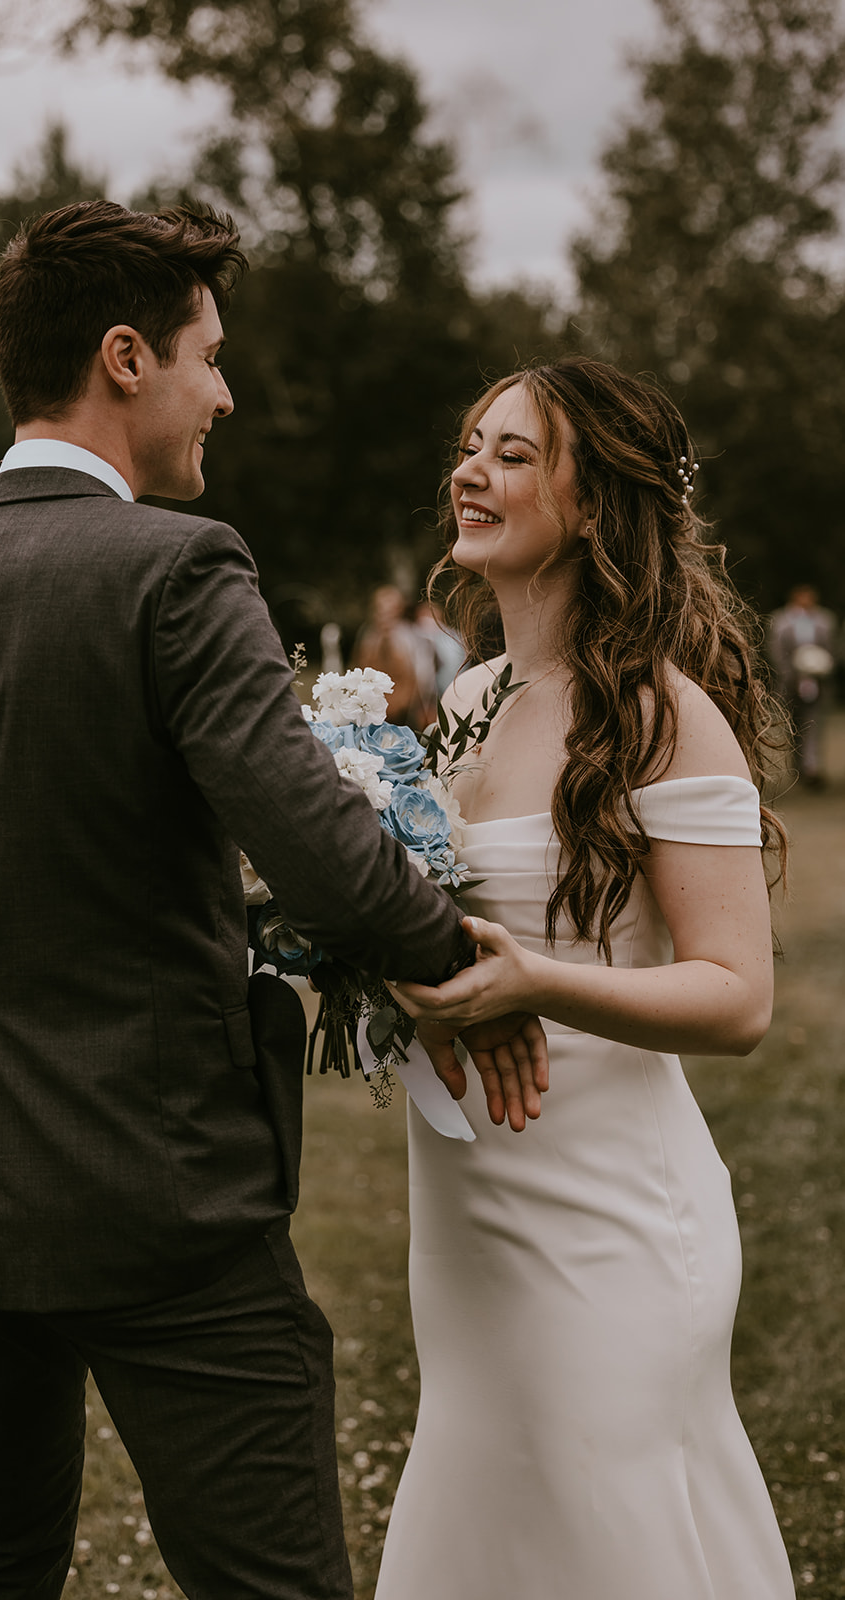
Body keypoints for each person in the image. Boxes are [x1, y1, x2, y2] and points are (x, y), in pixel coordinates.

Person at [0, 200, 546, 1600]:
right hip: (162, 1183)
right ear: (123, 357)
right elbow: (312, 841)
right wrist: (452, 955)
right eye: (208, 356)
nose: (226, 391)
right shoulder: (176, 570)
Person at [375, 357, 794, 1599]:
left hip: (608, 1217)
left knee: (605, 1528)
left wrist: (536, 986)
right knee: (491, 1515)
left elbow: (737, 996)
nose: (470, 470)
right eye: (469, 444)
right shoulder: (464, 700)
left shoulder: (661, 715)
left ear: (595, 504)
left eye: (512, 454)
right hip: (464, 1209)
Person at [768, 582, 838, 788]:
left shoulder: (825, 620)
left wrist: (822, 667)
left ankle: (811, 767)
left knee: (814, 724)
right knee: (793, 726)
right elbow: (776, 650)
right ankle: (798, 765)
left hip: (817, 681)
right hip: (790, 681)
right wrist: (791, 672)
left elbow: (831, 649)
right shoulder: (780, 621)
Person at [352, 584, 437, 730]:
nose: (385, 613)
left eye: (391, 608)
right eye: (381, 607)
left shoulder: (411, 636)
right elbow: (358, 667)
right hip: (372, 708)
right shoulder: (367, 635)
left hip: (405, 710)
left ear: (399, 609)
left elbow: (423, 677)